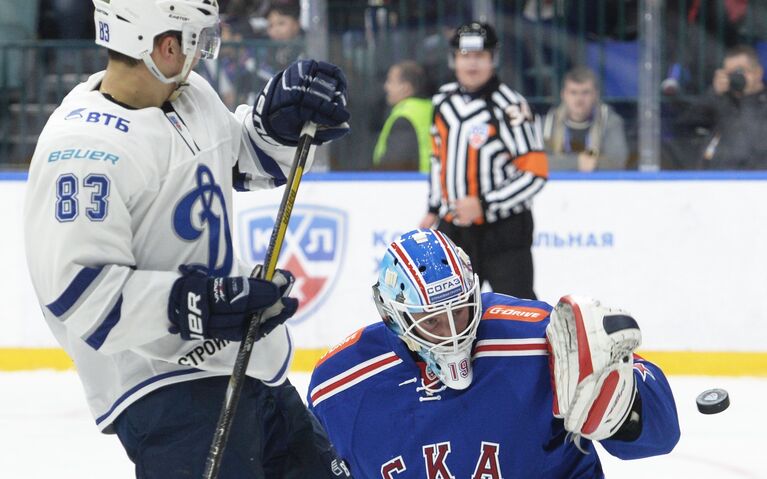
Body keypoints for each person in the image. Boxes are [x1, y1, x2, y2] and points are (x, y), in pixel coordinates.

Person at [23, 0, 352, 477]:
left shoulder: (187, 93)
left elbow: (241, 162)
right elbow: (80, 294)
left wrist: (279, 120)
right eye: (198, 40)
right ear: (166, 46)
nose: (203, 53)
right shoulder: (81, 151)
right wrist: (200, 304)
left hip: (248, 365)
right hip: (164, 391)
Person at [308, 228, 680, 477]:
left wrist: (628, 402)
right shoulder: (339, 387)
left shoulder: (537, 338)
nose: (453, 332)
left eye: (460, 310)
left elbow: (661, 437)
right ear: (393, 318)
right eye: (433, 321)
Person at [419, 21, 548, 300]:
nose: (472, 64)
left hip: (505, 232)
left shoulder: (511, 106)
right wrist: (433, 207)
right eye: (465, 56)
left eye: (480, 56)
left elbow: (535, 174)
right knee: (450, 312)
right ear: (453, 59)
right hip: (454, 231)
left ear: (493, 59)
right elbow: (437, 158)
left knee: (519, 311)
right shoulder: (443, 102)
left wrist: (484, 204)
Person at [672, 44, 767, 169]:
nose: (736, 77)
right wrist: (714, 94)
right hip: (718, 180)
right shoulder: (720, 100)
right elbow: (686, 125)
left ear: (758, 73)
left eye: (740, 71)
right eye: (730, 73)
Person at [543, 66, 629, 171]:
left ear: (595, 95)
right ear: (563, 95)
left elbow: (618, 161)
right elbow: (537, 162)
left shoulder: (609, 120)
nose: (579, 99)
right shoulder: (549, 122)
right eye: (573, 92)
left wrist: (593, 163)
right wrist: (577, 163)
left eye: (585, 93)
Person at [372, 61, 433, 172]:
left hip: (411, 187)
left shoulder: (404, 118)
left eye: (390, 81)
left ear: (406, 88)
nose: (386, 87)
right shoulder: (429, 108)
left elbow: (394, 165)